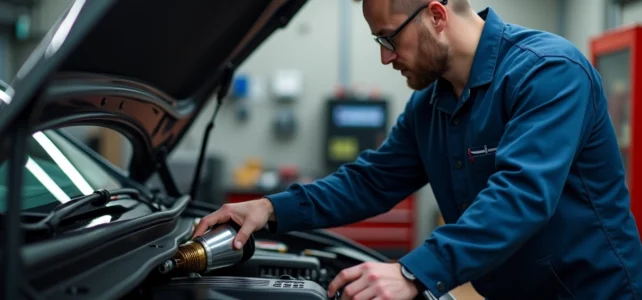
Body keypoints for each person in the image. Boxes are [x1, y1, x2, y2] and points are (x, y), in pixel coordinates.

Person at [194, 0, 642, 299]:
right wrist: (271, 208)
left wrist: (413, 271)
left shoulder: (548, 72)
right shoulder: (430, 104)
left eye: (388, 38)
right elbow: (371, 181)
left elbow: (521, 196)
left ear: (436, 15)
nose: (386, 58)